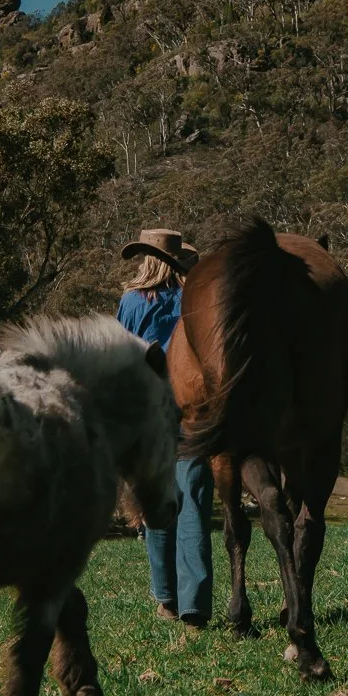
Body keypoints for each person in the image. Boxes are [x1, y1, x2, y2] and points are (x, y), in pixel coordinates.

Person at [115, 227, 214, 628]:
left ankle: (166, 599)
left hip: (148, 412)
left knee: (156, 502)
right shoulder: (196, 303)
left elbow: (121, 357)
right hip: (195, 409)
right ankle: (195, 606)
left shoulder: (132, 302)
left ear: (145, 259)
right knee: (193, 502)